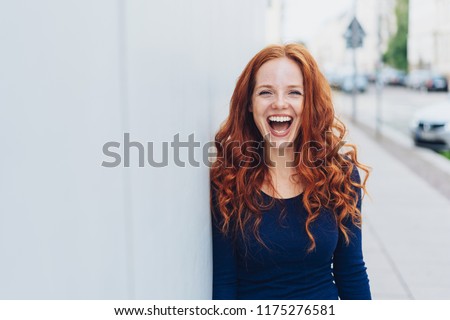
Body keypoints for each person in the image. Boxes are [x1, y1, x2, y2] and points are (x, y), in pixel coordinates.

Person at [210, 43, 371, 300]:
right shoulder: (228, 181)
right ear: (249, 104)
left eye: (294, 93)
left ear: (310, 103)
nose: (280, 103)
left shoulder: (340, 176)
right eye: (266, 92)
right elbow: (224, 281)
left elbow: (351, 272)